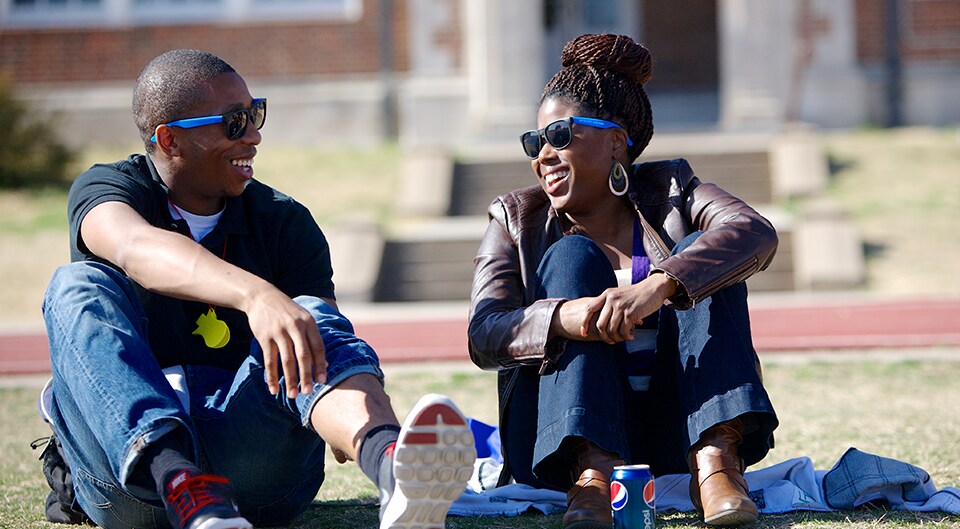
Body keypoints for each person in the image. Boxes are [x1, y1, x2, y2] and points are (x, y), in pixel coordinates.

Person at [40, 49, 475, 529]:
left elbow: (326, 349)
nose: (253, 135)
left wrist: (342, 408)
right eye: (234, 122)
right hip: (133, 482)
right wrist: (257, 295)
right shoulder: (109, 190)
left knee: (310, 314)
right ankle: (184, 486)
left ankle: (394, 468)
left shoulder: (284, 220)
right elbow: (133, 247)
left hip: (254, 464)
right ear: (169, 139)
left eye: (255, 114)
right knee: (76, 285)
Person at [468, 34, 779, 528]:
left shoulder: (674, 191)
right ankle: (592, 476)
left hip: (677, 433)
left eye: (560, 135)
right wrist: (560, 317)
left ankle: (717, 465)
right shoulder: (516, 218)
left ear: (616, 140)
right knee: (570, 255)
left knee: (701, 255)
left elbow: (754, 231)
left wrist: (663, 283)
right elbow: (485, 332)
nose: (543, 154)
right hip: (556, 444)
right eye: (534, 141)